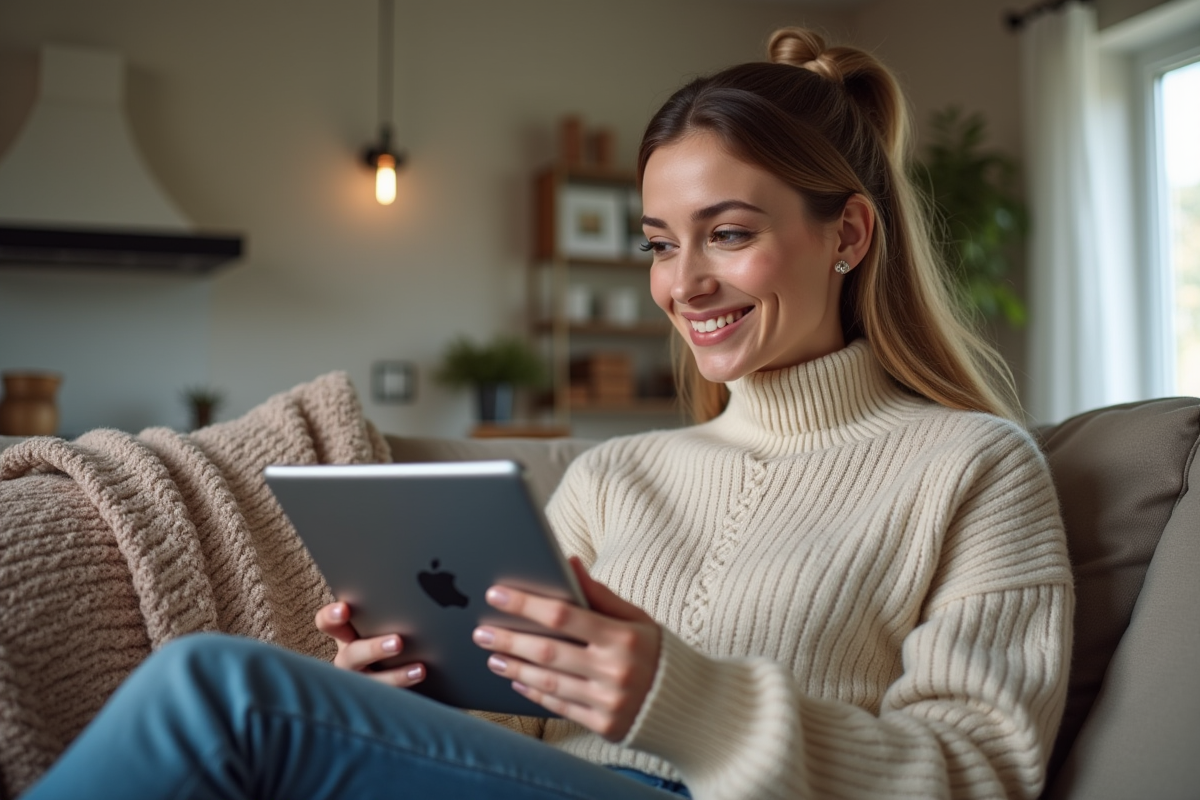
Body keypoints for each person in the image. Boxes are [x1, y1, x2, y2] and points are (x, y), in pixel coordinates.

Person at [24, 27, 1073, 800]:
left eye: (728, 233)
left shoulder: (973, 465)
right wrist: (402, 693)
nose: (684, 284)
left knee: (220, 691)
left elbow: (980, 772)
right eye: (660, 243)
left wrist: (684, 700)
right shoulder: (618, 476)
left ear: (847, 234)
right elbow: (514, 729)